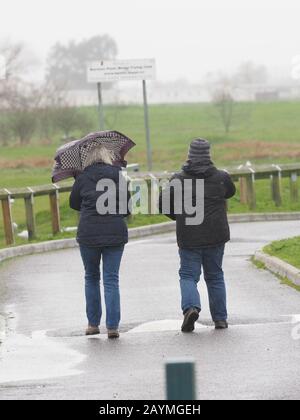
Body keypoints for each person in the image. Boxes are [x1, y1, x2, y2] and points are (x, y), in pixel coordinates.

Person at [159, 138, 236, 332]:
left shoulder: (178, 179)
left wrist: (179, 217)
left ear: (189, 155)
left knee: (188, 276)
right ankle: (220, 319)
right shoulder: (221, 177)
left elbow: (162, 205)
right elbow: (230, 192)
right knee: (215, 276)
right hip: (216, 234)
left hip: (189, 235)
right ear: (208, 155)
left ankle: (191, 308)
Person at [69, 145, 129, 339]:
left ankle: (93, 324)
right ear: (108, 157)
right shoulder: (118, 175)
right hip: (115, 232)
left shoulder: (82, 177)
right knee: (111, 280)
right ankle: (112, 327)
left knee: (91, 277)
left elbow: (74, 203)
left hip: (89, 233)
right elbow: (127, 206)